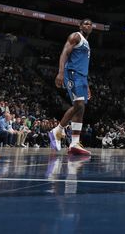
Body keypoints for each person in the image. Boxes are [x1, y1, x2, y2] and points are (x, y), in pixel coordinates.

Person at [48, 19, 96, 156]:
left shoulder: (86, 43)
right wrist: (61, 72)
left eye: (90, 24)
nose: (88, 26)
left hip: (81, 77)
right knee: (79, 105)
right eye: (85, 24)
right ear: (80, 26)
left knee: (81, 109)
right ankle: (57, 130)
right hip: (72, 74)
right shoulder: (75, 36)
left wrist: (86, 84)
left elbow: (83, 64)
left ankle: (74, 143)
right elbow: (64, 53)